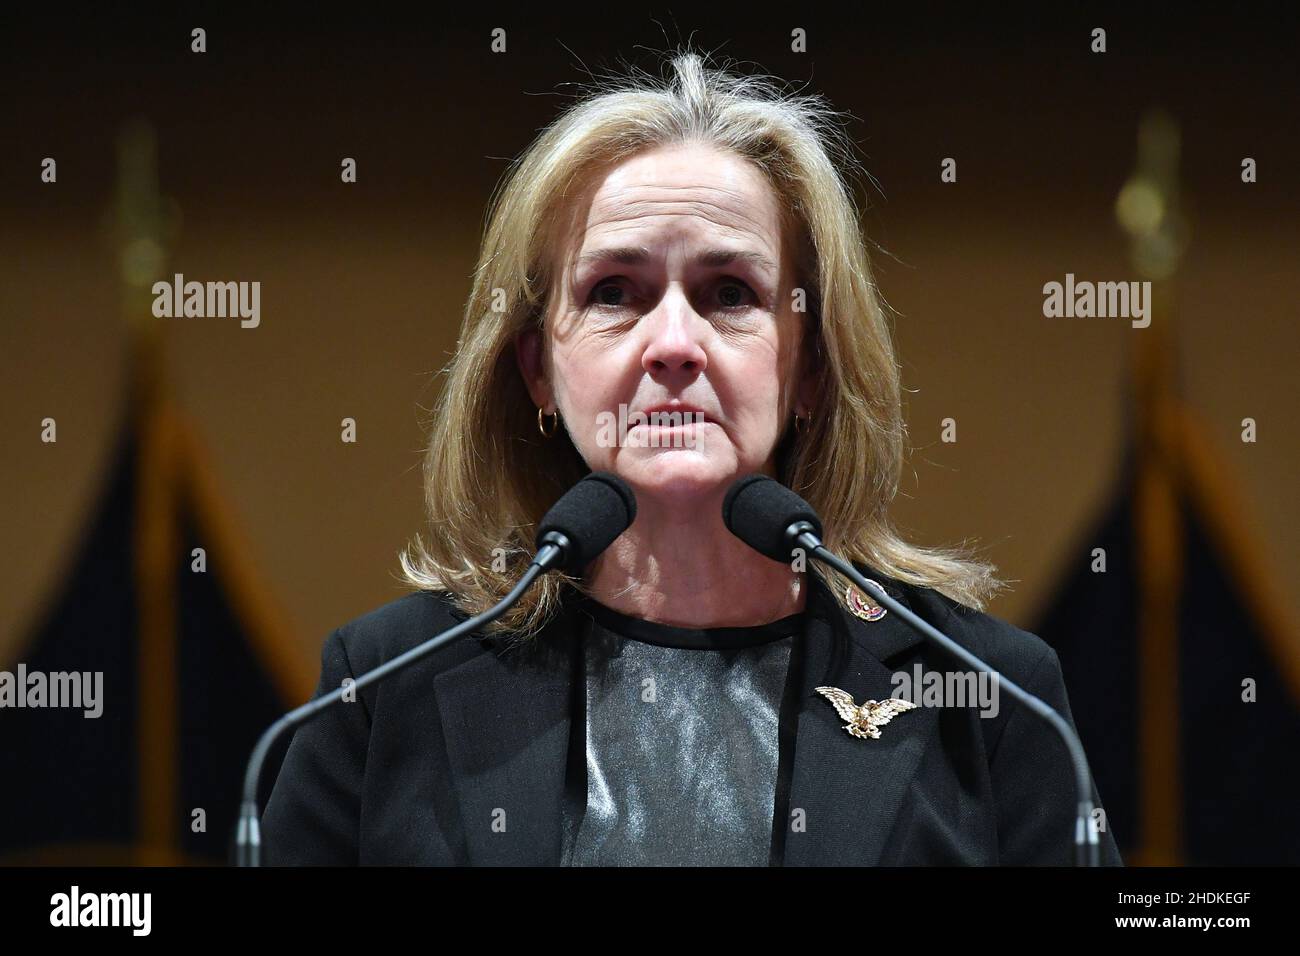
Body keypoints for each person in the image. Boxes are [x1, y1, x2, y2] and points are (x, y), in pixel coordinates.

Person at [261, 50, 1123, 866]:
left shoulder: (989, 695)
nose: (674, 343)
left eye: (730, 294)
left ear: (812, 364)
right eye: (613, 292)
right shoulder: (385, 688)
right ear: (538, 370)